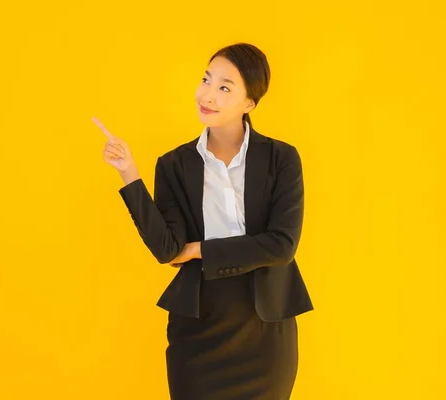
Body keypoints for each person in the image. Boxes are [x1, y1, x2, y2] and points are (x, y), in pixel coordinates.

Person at [93, 42, 313, 400]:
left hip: (265, 329)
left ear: (249, 103)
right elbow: (167, 249)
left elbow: (282, 244)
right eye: (206, 80)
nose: (207, 95)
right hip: (198, 329)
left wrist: (200, 250)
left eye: (225, 87)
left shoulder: (282, 158)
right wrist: (129, 173)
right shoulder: (174, 164)